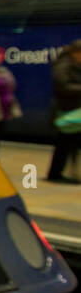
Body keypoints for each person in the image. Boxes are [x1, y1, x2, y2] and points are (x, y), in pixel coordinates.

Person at [47, 39, 81, 184]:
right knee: (64, 144)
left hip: (74, 110)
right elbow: (62, 86)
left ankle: (60, 172)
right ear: (76, 53)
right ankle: (55, 174)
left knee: (68, 143)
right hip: (67, 110)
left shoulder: (74, 64)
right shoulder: (64, 65)